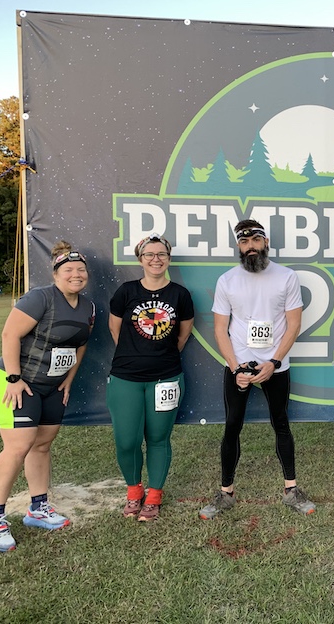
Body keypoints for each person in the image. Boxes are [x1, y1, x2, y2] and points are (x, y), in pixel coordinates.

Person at [0, 242, 94, 552]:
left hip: (52, 387)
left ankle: (38, 507)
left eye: (81, 270)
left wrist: (68, 379)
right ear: (56, 274)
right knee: (18, 446)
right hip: (19, 382)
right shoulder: (40, 297)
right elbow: (9, 335)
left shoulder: (88, 307)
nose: (76, 274)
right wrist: (14, 378)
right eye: (68, 270)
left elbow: (79, 346)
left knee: (42, 445)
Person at [199, 219, 316, 519]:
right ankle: (226, 493)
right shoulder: (227, 281)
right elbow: (220, 329)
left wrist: (274, 362)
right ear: (239, 246)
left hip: (275, 365)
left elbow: (294, 324)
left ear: (265, 243)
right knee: (232, 426)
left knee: (281, 423)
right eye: (243, 242)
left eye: (255, 241)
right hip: (238, 365)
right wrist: (236, 366)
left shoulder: (287, 277)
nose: (250, 247)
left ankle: (291, 490)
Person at [107, 233, 194, 522]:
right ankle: (134, 491)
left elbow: (183, 334)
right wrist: (136, 355)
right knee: (126, 441)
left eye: (161, 254)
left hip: (166, 377)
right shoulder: (126, 291)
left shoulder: (180, 294)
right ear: (141, 259)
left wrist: (160, 356)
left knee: (158, 438)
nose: (156, 259)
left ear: (168, 259)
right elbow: (116, 331)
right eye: (150, 254)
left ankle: (154, 495)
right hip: (126, 377)